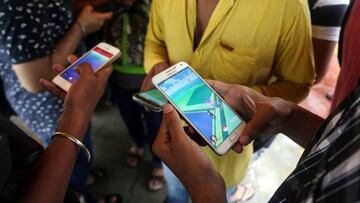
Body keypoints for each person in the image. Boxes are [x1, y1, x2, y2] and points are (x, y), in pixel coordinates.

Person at [152, 1, 360, 202]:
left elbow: (298, 84)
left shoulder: (288, 6)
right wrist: (156, 65)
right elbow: (155, 42)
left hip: (228, 161)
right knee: (175, 195)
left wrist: (206, 189)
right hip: (174, 147)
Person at [0, 0, 112, 199]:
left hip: (58, 99)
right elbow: (34, 80)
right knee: (68, 160)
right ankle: (78, 190)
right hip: (49, 104)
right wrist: (81, 26)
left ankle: (81, 178)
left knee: (76, 155)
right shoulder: (18, 6)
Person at [0, 59, 120, 203]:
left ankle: (82, 191)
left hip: (32, 170)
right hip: (40, 183)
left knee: (76, 174)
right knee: (76, 170)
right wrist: (77, 113)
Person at [103, 0, 164, 191]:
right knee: (128, 115)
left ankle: (158, 160)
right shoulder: (108, 6)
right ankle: (138, 142)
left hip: (150, 77)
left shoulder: (157, 5)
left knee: (156, 122)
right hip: (118, 77)